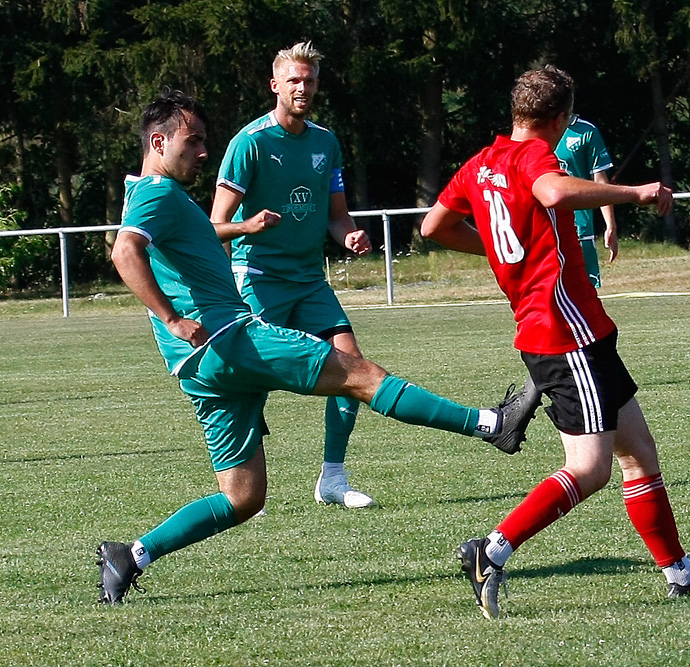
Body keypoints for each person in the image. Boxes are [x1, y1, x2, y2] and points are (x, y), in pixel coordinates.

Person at [96, 89, 538, 604]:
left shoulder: (164, 199)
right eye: (192, 142)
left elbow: (189, 242)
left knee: (242, 498)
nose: (202, 152)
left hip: (197, 368)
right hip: (232, 341)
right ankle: (492, 425)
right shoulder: (153, 193)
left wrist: (243, 226)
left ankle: (131, 555)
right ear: (158, 140)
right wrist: (170, 318)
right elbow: (125, 252)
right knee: (362, 376)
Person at [420, 65, 690, 620]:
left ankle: (681, 575)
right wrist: (637, 192)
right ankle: (490, 551)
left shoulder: (479, 164)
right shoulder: (533, 159)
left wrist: (499, 249)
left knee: (639, 455)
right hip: (564, 334)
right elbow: (553, 189)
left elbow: (432, 228)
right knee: (590, 468)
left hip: (580, 330)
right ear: (561, 119)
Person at [210, 42, 375, 509]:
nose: (303, 88)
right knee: (251, 382)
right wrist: (247, 225)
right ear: (275, 85)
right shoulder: (251, 143)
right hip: (258, 276)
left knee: (353, 367)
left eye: (310, 80)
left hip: (309, 280)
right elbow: (214, 224)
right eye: (294, 81)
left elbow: (337, 217)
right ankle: (240, 491)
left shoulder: (326, 142)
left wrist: (348, 237)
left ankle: (333, 479)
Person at [554, 114, 617, 288]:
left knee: (583, 292)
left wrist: (610, 225)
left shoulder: (586, 132)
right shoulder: (536, 130)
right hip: (544, 229)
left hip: (579, 228)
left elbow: (600, 182)